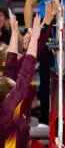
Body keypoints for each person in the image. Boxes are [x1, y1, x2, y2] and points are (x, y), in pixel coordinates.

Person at [0, 14, 41, 148]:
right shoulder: (10, 106)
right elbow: (26, 72)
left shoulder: (6, 101)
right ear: (8, 95)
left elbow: (10, 66)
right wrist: (34, 38)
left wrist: (14, 33)